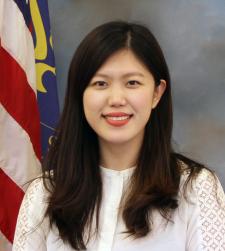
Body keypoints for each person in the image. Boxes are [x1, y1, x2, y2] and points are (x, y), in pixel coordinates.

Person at [13, 21, 225, 251]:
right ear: (80, 93)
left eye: (132, 83)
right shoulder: (45, 193)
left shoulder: (195, 188)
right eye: (100, 83)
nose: (116, 99)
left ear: (157, 93)